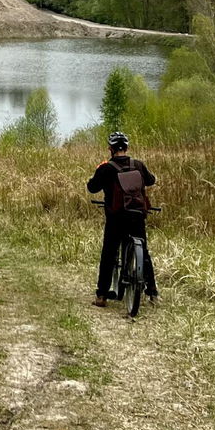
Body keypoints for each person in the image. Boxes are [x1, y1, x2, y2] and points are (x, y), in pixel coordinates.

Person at [88, 130, 157, 307]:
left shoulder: (106, 168)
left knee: (109, 254)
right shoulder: (138, 165)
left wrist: (98, 169)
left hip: (116, 218)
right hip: (137, 216)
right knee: (144, 251)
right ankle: (153, 292)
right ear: (126, 147)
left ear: (110, 149)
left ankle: (102, 296)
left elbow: (92, 188)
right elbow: (150, 181)